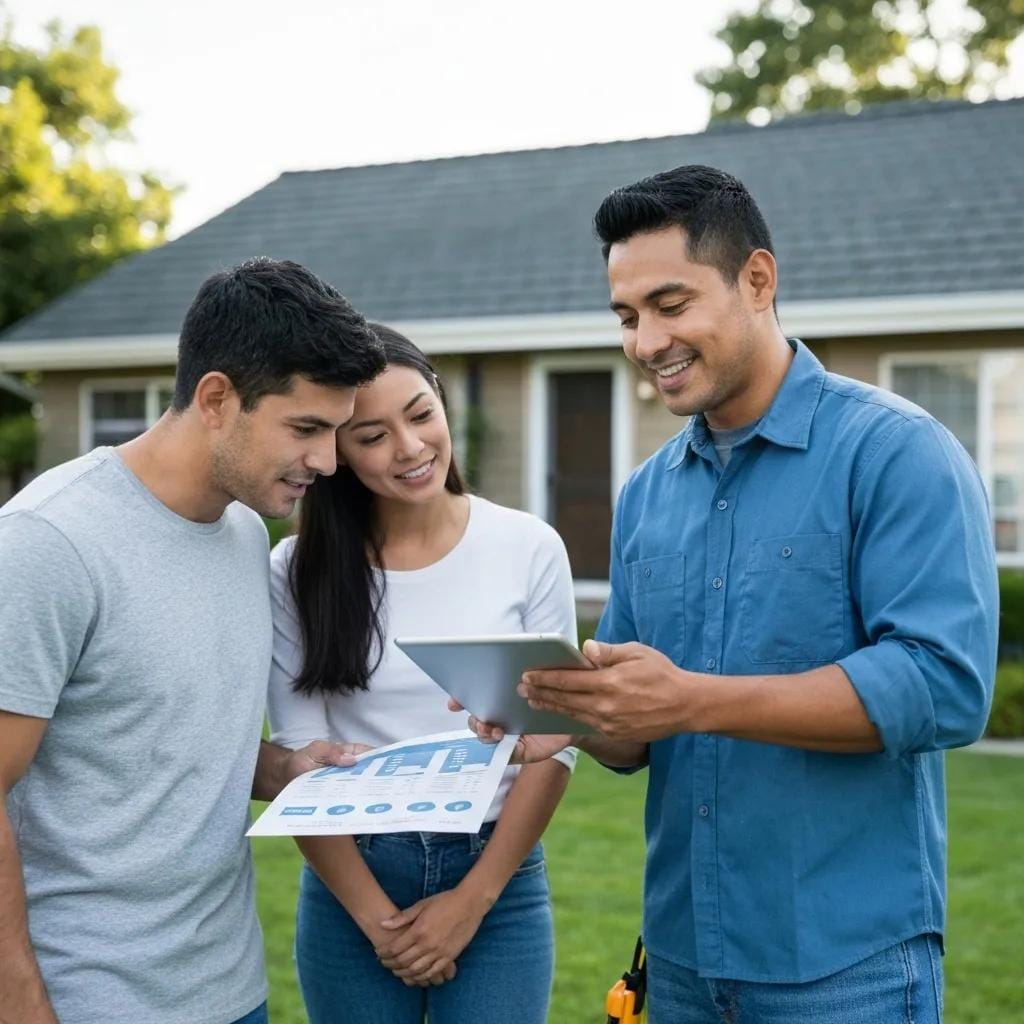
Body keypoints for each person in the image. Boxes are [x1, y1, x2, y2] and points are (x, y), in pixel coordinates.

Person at [470, 165, 998, 1023]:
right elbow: (638, 729)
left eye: (670, 305)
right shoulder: (647, 493)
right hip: (678, 964)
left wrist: (690, 702)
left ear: (758, 280)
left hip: (846, 970)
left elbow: (944, 687)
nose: (644, 341)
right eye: (627, 316)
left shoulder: (898, 454)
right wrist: (566, 711)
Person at [0, 258, 386, 1024]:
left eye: (337, 432)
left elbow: (143, 737)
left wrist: (281, 767)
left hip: (231, 990)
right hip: (87, 1002)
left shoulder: (246, 532)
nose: (329, 462)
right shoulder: (48, 544)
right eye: (306, 428)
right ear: (216, 398)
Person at [266, 324, 576, 1024]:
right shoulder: (295, 572)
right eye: (371, 436)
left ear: (440, 401)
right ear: (338, 452)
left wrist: (473, 901)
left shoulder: (527, 547)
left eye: (420, 415)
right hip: (353, 881)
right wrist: (380, 924)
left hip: (497, 877)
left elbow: (558, 745)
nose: (409, 449)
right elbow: (300, 763)